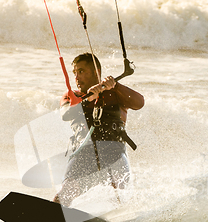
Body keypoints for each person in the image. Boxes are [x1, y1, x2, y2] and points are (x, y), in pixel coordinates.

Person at [53, 53, 144, 206]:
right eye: (74, 73)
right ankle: (52, 218)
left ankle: (121, 218)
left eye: (81, 71)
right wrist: (88, 98)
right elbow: (66, 113)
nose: (76, 77)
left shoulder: (115, 93)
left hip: (113, 151)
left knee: (119, 192)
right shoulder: (73, 96)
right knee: (66, 191)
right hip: (83, 152)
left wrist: (116, 85)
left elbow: (139, 102)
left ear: (96, 72)